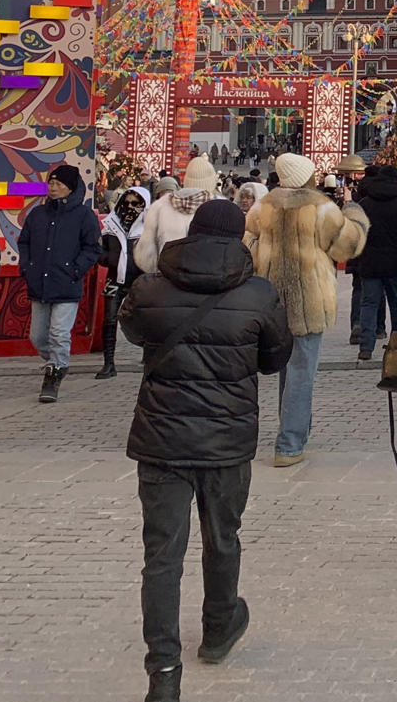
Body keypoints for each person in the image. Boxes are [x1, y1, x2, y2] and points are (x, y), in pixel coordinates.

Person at [123, 199, 292, 702]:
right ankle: (219, 626)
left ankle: (164, 670)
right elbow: (273, 358)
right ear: (241, 237)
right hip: (226, 438)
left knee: (162, 556)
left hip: (162, 439)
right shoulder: (259, 294)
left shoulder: (150, 287)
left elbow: (133, 331)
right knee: (223, 537)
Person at [245, 153, 365, 467]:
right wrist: (354, 214)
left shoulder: (263, 206)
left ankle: (296, 430)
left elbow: (248, 244)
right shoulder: (320, 207)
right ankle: (289, 443)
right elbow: (346, 246)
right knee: (301, 373)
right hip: (308, 298)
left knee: (288, 370)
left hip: (270, 299)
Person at [14, 162, 103, 402]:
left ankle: (55, 371)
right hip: (39, 284)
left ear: (70, 188)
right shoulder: (39, 214)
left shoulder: (84, 216)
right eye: (51, 183)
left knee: (59, 332)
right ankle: (56, 362)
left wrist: (75, 270)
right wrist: (27, 266)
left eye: (58, 184)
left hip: (67, 284)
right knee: (38, 337)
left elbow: (92, 248)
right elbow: (24, 242)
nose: (53, 188)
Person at [350, 162, 397, 357]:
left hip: (369, 264)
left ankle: (366, 347)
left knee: (368, 304)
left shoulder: (365, 204)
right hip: (395, 263)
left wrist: (354, 259)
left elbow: (355, 234)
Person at [97, 186, 150, 379]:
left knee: (144, 318)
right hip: (114, 278)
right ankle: (108, 363)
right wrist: (109, 259)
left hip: (141, 280)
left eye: (135, 203)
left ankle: (147, 354)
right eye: (126, 202)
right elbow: (99, 249)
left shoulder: (148, 228)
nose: (130, 207)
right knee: (109, 320)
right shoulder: (111, 224)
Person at [134, 157, 219, 276]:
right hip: (210, 283)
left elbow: (145, 256)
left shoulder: (160, 206)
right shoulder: (222, 208)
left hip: (167, 281)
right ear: (211, 181)